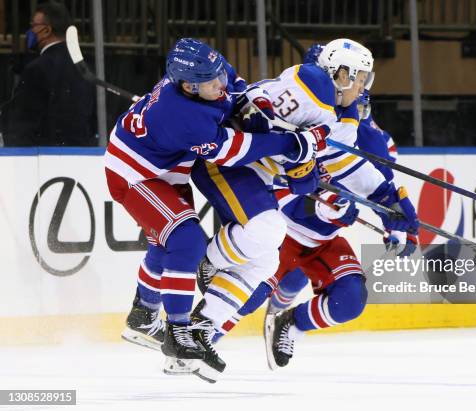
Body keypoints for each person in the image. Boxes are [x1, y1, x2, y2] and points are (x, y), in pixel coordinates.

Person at [105, 37, 326, 383]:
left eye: (218, 72)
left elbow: (236, 88)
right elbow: (234, 150)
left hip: (166, 166)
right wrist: (291, 143)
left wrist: (255, 111)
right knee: (187, 242)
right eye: (212, 82)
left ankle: (143, 315)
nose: (220, 83)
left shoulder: (205, 72)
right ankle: (177, 335)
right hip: (135, 173)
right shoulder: (182, 116)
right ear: (188, 86)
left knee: (167, 245)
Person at [189, 39, 418, 358]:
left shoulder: (350, 121)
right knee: (252, 293)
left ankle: (289, 324)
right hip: (281, 228)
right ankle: (196, 339)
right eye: (361, 77)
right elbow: (278, 162)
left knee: (350, 299)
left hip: (320, 239)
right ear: (342, 74)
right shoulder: (310, 87)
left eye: (366, 79)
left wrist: (393, 205)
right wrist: (320, 199)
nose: (364, 88)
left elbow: (346, 167)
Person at [3, 2, 97, 147]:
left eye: (33, 26)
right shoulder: (84, 68)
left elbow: (21, 124)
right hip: (79, 157)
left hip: (43, 157)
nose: (30, 32)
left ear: (46, 31)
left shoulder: (37, 69)